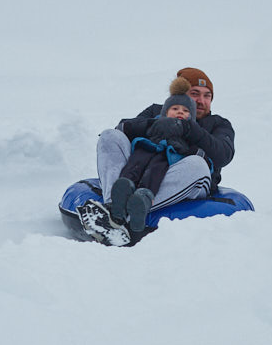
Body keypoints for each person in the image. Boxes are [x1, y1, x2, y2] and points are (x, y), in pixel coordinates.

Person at [84, 67, 235, 241]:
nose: (201, 101)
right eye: (195, 93)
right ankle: (112, 206)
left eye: (207, 96)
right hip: (141, 173)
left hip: (183, 181)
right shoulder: (156, 111)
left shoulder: (218, 124)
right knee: (110, 136)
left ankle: (122, 218)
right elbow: (124, 128)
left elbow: (223, 155)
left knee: (198, 164)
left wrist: (187, 129)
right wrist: (154, 125)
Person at [107, 78, 199, 233]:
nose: (180, 112)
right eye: (175, 108)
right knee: (135, 163)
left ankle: (142, 199)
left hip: (165, 156)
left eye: (185, 111)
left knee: (155, 171)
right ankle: (123, 188)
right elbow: (132, 126)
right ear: (165, 112)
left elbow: (193, 149)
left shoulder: (187, 133)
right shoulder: (155, 122)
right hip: (147, 147)